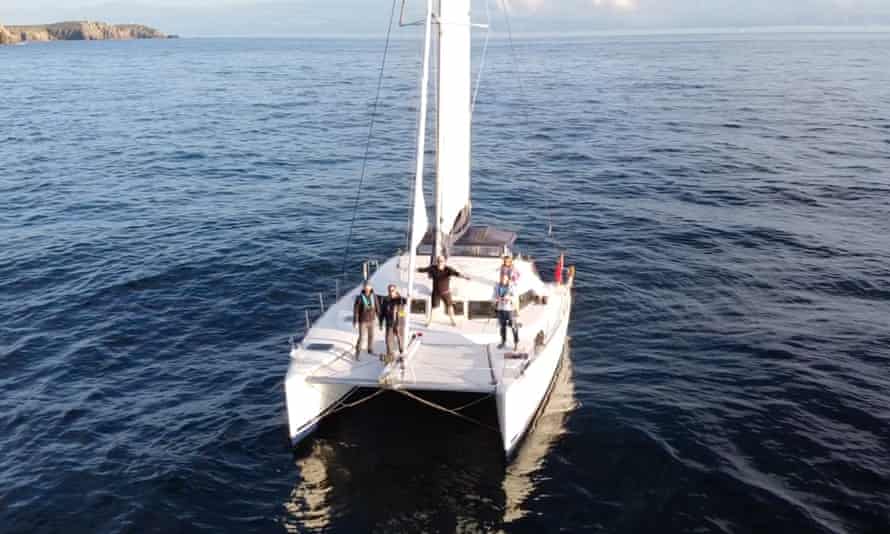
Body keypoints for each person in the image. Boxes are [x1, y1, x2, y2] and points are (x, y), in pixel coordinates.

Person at [418, 255, 469, 326]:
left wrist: (465, 277)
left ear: (444, 262)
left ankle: (453, 321)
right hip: (436, 293)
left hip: (446, 293)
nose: (439, 262)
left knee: (450, 306)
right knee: (433, 308)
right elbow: (423, 270)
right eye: (438, 261)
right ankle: (429, 322)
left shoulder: (448, 269)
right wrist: (414, 269)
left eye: (441, 261)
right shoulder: (433, 268)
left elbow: (456, 273)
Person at [378, 284, 407, 362]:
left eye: (392, 290)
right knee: (388, 339)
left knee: (400, 338)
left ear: (396, 290)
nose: (391, 292)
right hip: (389, 323)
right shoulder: (386, 300)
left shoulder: (400, 300)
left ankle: (402, 352)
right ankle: (390, 355)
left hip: (399, 324)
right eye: (389, 290)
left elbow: (402, 311)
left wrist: (400, 324)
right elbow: (382, 312)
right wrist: (380, 322)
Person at [493, 273, 519, 350]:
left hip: (510, 310)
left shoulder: (512, 287)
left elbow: (515, 297)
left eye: (505, 279)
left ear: (507, 279)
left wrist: (509, 298)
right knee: (502, 327)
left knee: (513, 327)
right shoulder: (497, 287)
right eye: (502, 278)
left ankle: (516, 343)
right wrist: (497, 299)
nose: (503, 280)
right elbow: (493, 297)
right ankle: (503, 342)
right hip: (501, 309)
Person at [353, 281, 378, 358]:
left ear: (371, 288)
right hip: (362, 321)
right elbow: (356, 310)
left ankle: (370, 349)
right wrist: (355, 321)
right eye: (365, 287)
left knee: (371, 336)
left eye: (368, 286)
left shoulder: (374, 296)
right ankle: (357, 352)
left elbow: (377, 307)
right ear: (363, 288)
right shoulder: (359, 298)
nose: (367, 288)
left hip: (372, 320)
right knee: (361, 338)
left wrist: (380, 319)